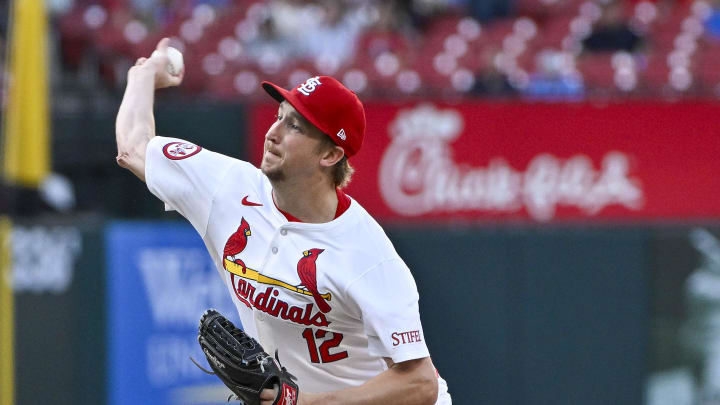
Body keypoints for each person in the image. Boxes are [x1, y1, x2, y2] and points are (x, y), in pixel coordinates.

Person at [115, 38, 451, 405]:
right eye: (279, 116)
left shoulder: (368, 256)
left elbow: (420, 384)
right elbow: (134, 147)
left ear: (331, 153)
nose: (272, 133)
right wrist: (144, 74)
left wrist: (302, 402)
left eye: (294, 127)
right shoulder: (225, 187)